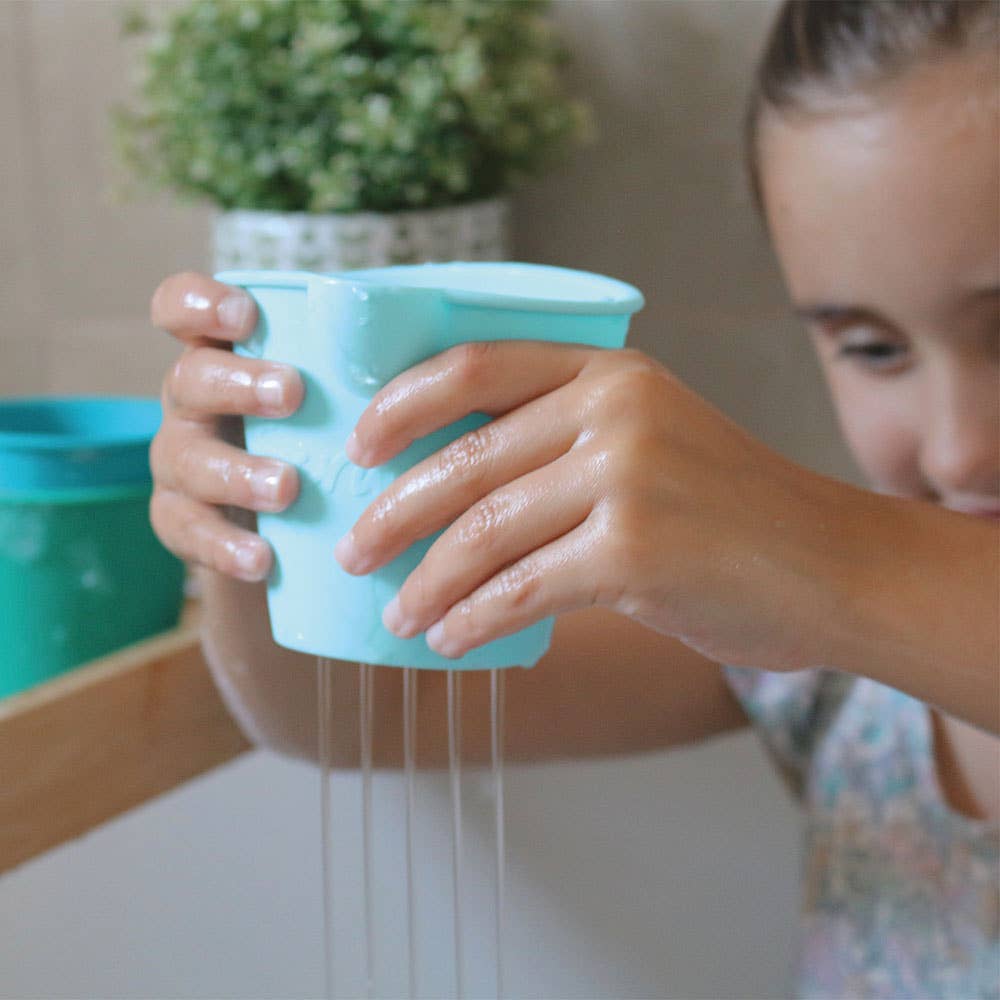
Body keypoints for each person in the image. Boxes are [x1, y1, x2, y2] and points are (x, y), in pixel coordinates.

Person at [147, 1, 999, 995]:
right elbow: (378, 710)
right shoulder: (822, 661)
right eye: (870, 346)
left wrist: (823, 552)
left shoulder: (825, 589)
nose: (958, 446)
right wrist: (257, 519)